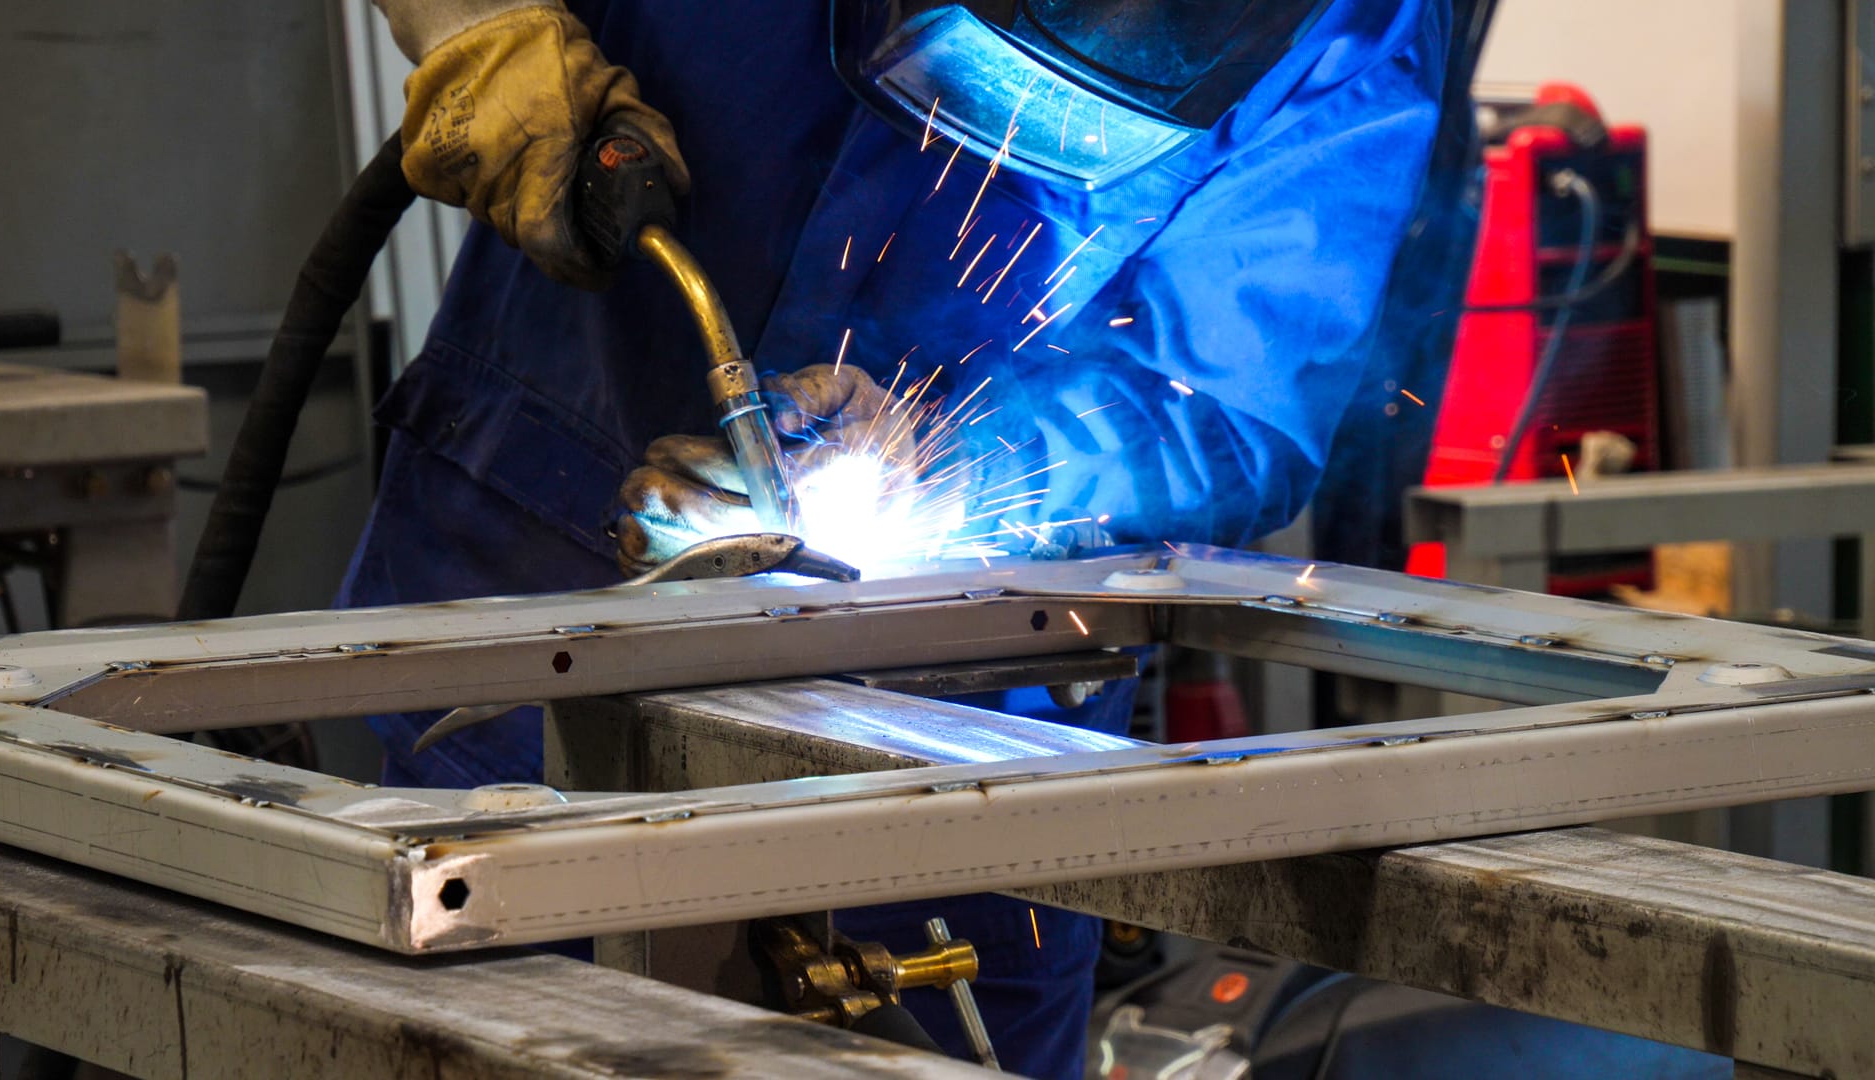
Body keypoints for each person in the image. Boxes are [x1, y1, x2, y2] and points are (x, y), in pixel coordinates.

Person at [347, 1, 1451, 1076]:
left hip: (957, 772)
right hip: (511, 678)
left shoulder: (1355, 20)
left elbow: (1225, 402)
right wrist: (469, 22)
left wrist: (949, 454)